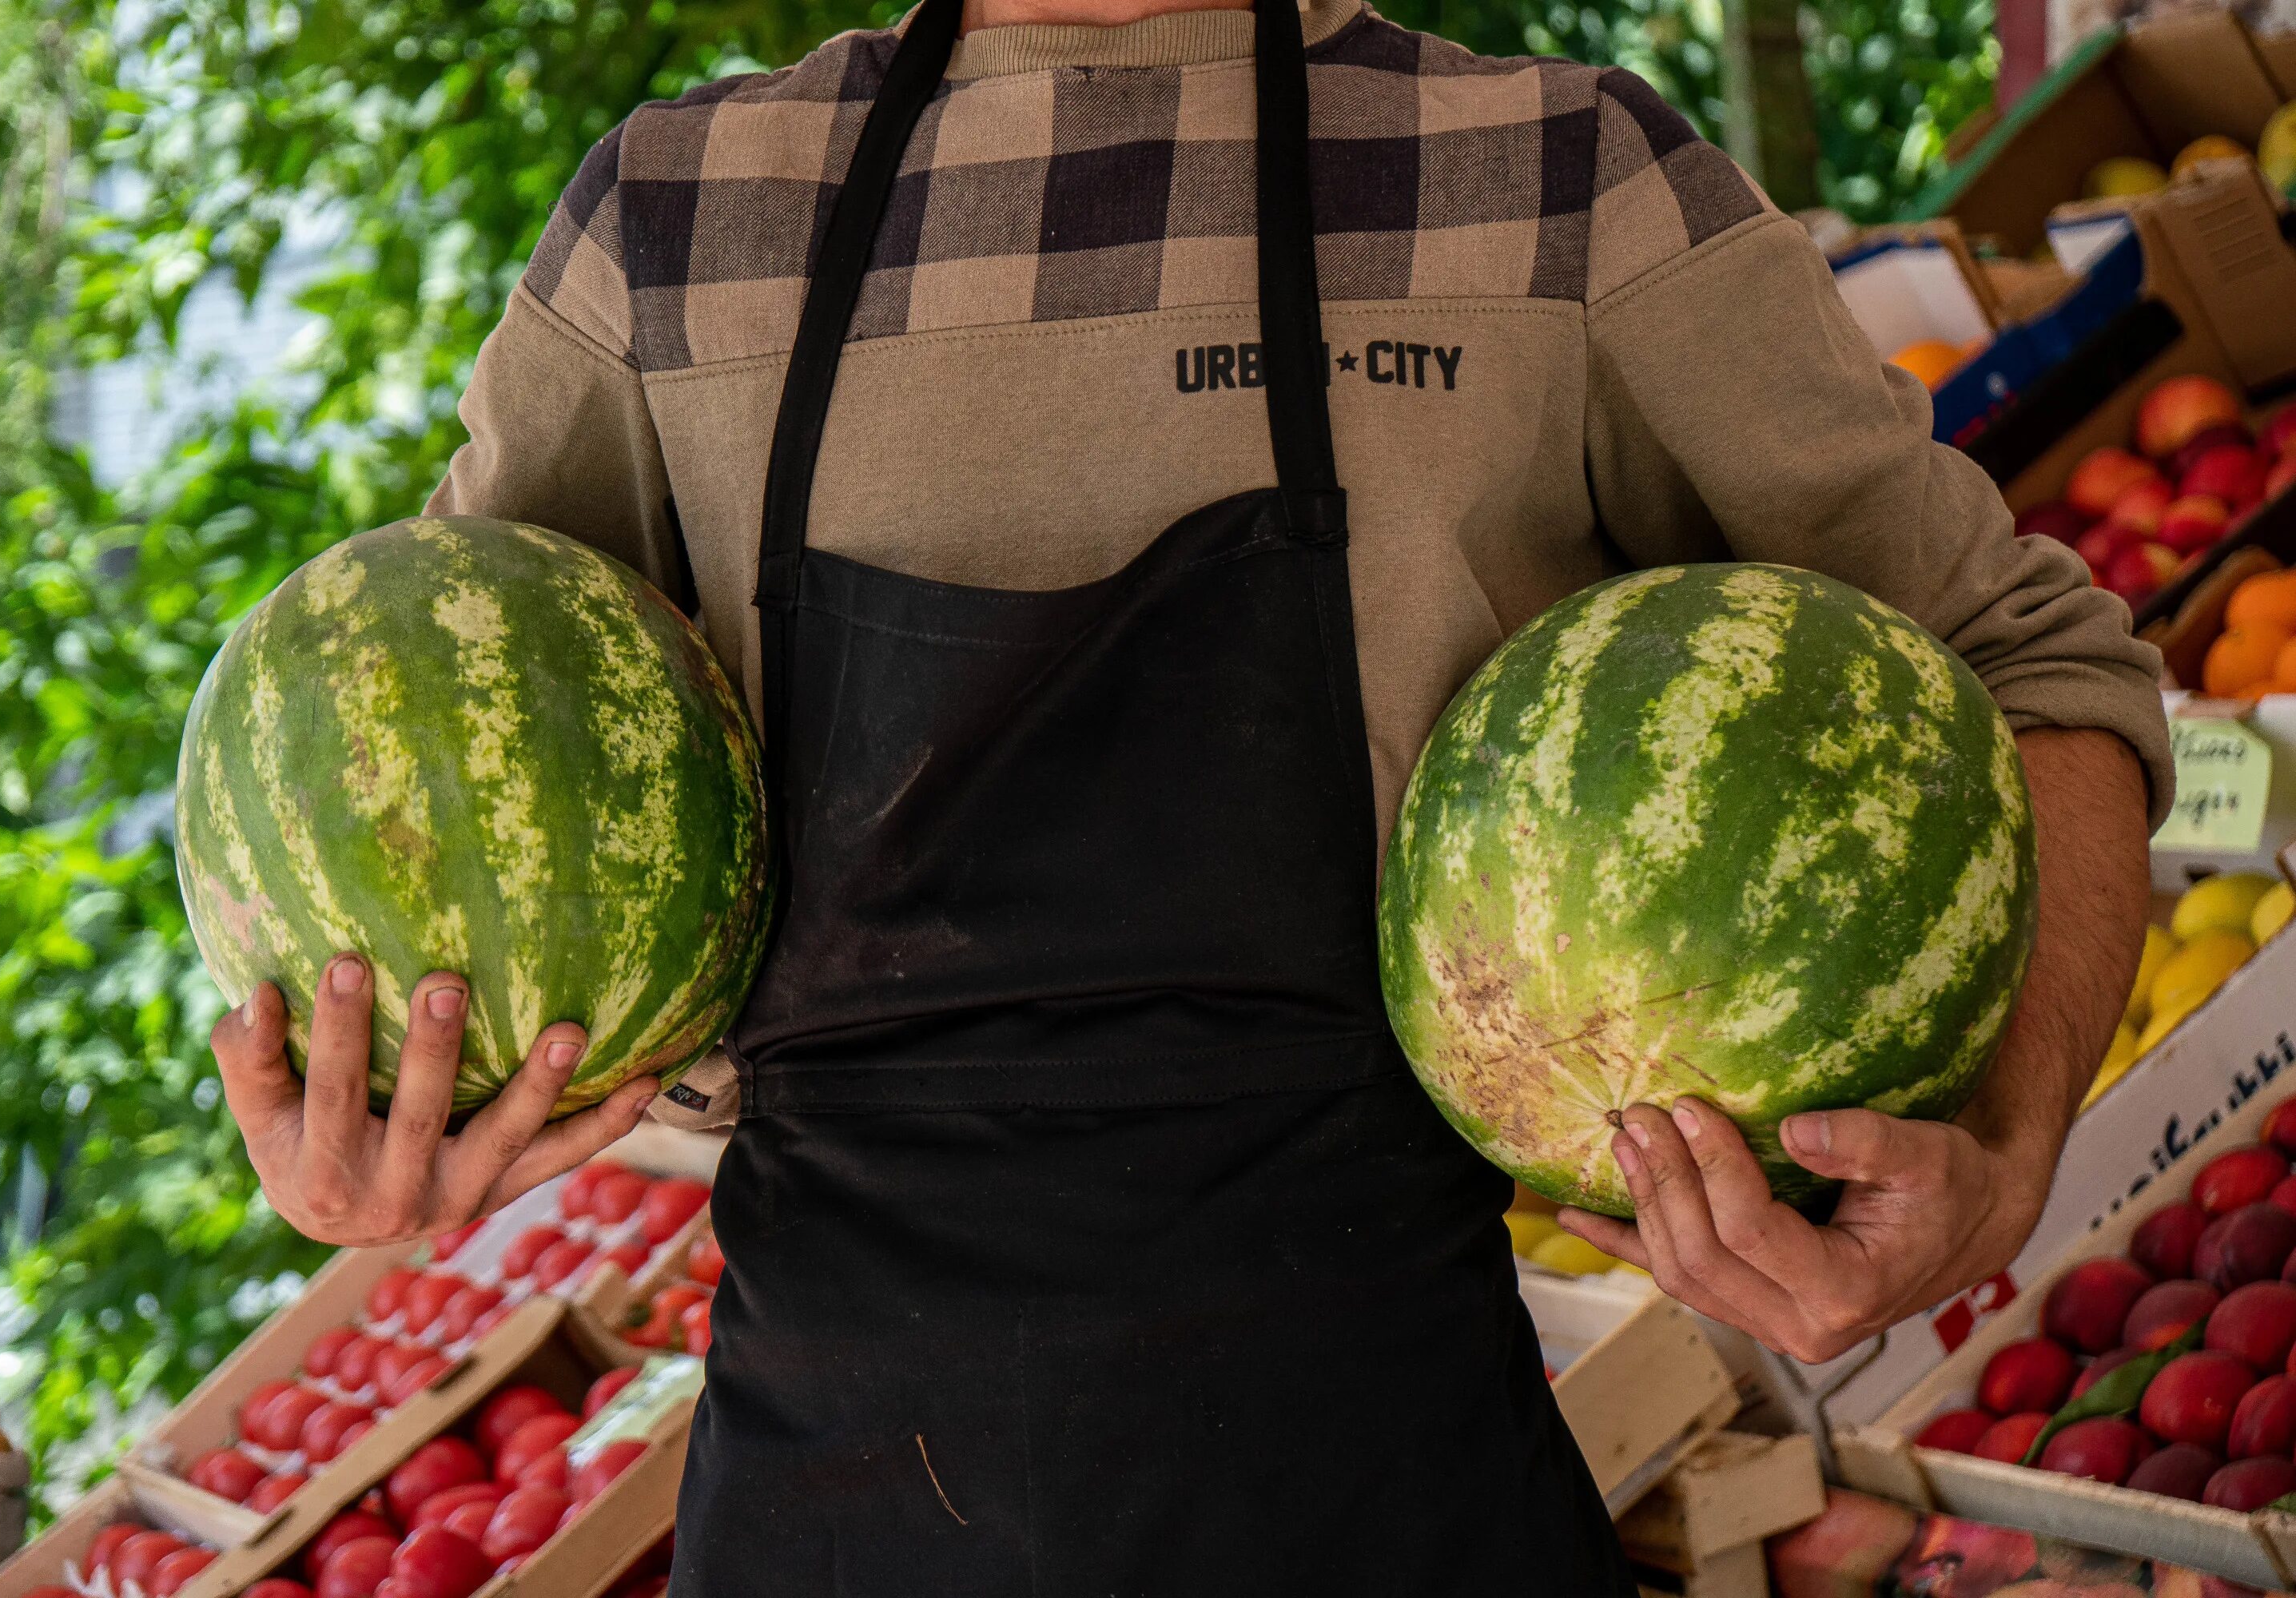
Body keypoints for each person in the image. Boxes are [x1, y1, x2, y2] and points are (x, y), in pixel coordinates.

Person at [207, 0, 2168, 1588]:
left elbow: (2043, 669)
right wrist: (349, 1131)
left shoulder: (1563, 189)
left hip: (1393, 1498)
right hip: (834, 1515)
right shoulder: (675, 223)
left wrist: (2001, 1148)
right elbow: (397, 766)